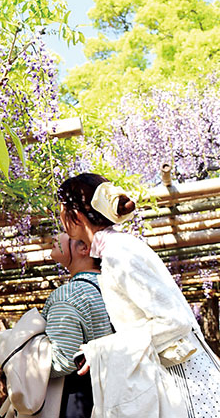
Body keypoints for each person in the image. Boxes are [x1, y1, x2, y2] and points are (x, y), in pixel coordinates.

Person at [57, 172, 220, 418]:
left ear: (76, 216)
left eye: (60, 211)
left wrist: (102, 348)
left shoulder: (119, 253)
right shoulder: (117, 248)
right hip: (181, 381)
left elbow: (174, 321)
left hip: (187, 387)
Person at [42, 232, 113, 418]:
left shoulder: (70, 295)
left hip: (79, 403)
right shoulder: (116, 287)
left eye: (68, 231)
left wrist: (20, 358)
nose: (55, 235)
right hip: (115, 393)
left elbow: (63, 360)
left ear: (84, 248)